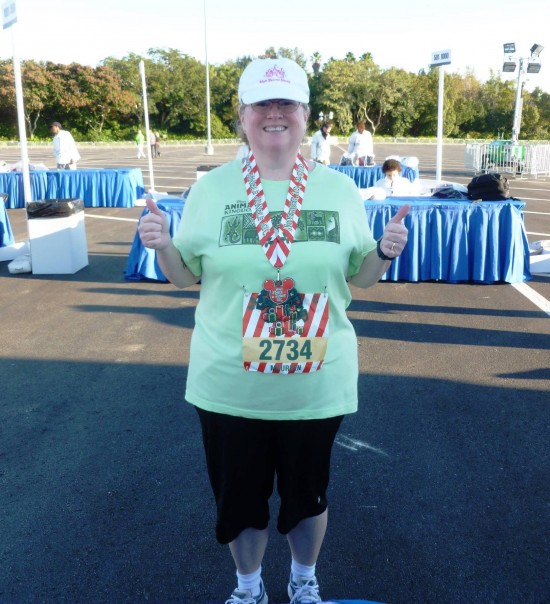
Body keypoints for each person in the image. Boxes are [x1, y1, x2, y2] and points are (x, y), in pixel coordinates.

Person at [138, 57, 409, 604]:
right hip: (229, 384)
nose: (274, 114)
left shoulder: (337, 190)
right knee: (239, 499)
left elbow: (363, 279)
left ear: (306, 116)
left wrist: (383, 251)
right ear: (243, 116)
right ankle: (248, 587)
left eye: (287, 103)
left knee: (307, 496)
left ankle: (304, 581)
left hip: (315, 383)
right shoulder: (211, 191)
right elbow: (183, 277)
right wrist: (163, 245)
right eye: (262, 104)